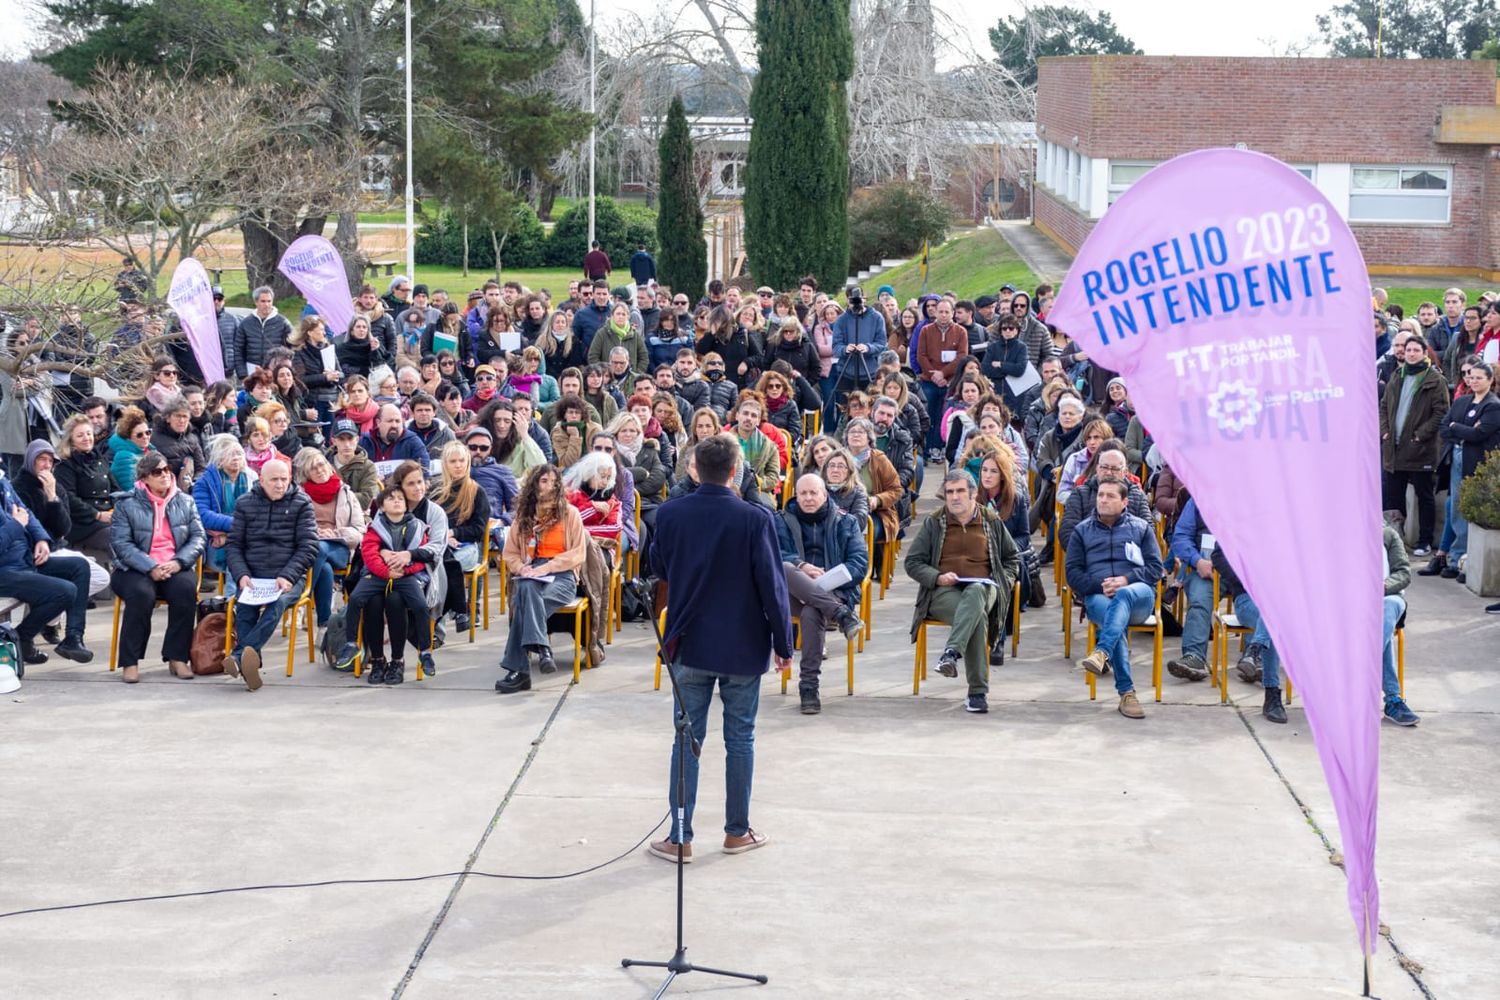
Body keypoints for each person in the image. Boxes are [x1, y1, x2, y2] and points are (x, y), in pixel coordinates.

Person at [647, 434, 792, 861]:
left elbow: (658, 567)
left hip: (690, 643)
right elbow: (773, 584)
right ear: (735, 472)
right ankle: (736, 831)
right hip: (742, 647)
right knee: (740, 739)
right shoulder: (755, 517)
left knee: (687, 742)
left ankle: (680, 836)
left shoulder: (671, 514)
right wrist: (784, 642)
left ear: (695, 469)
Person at [902, 471, 1018, 714]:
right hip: (945, 591)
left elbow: (1012, 558)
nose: (954, 497)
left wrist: (1002, 580)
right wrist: (937, 577)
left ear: (974, 494)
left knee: (977, 590)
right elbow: (912, 562)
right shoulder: (935, 522)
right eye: (949, 492)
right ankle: (977, 693)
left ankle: (951, 653)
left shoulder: (990, 520)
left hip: (986, 588)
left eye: (960, 491)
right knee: (976, 620)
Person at [1067, 480, 1164, 720]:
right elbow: (1073, 573)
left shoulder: (1141, 528)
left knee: (1123, 595)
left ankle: (1102, 651)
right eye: (1100, 495)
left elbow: (1155, 569)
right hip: (1099, 596)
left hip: (1137, 595)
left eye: (1110, 496)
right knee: (1115, 618)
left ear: (1124, 502)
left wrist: (1125, 579)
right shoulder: (1082, 530)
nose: (1103, 500)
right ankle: (1127, 693)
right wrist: (1101, 585)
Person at [108, 451, 206, 682]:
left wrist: (178, 562)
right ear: (144, 479)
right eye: (156, 472)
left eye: (166, 471)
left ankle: (177, 657)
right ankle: (130, 662)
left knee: (184, 591)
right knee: (141, 594)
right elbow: (121, 544)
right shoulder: (126, 504)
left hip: (174, 565)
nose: (164, 476)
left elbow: (198, 537)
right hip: (134, 569)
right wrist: (150, 566)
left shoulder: (185, 501)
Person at [223, 459, 319, 691]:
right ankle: (250, 663)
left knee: (277, 603)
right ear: (261, 480)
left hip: (287, 577)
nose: (280, 484)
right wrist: (242, 575)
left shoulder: (301, 503)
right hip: (253, 576)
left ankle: (239, 656)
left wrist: (288, 575)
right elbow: (234, 545)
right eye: (274, 480)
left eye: (284, 479)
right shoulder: (245, 503)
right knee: (244, 608)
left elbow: (309, 546)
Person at [775, 474, 866, 715]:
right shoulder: (781, 521)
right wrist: (801, 567)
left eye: (813, 493)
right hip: (793, 594)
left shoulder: (846, 522)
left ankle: (809, 686)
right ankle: (842, 615)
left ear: (825, 495)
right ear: (795, 494)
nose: (808, 498)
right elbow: (771, 555)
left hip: (835, 591)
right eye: (803, 493)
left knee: (812, 611)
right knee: (784, 567)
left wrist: (829, 579)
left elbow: (859, 562)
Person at [494, 464, 589, 692]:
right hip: (531, 571)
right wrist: (522, 568)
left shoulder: (570, 514)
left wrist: (549, 567)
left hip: (562, 575)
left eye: (553, 482)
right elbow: (510, 553)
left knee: (523, 603)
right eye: (543, 481)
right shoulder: (523, 516)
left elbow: (578, 553)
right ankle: (543, 651)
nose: (549, 486)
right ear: (534, 484)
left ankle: (519, 671)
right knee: (526, 587)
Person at [345, 483, 438, 684]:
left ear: (406, 505)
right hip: (378, 575)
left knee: (420, 606)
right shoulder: (375, 528)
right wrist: (387, 571)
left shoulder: (417, 526)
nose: (396, 501)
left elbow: (422, 558)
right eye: (391, 498)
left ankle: (423, 652)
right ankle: (357, 647)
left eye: (400, 499)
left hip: (405, 576)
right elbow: (369, 554)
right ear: (381, 506)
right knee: (358, 599)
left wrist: (404, 569)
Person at [0, 473, 94, 666]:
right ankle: (21, 637)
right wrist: (17, 525)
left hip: (24, 561)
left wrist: (41, 539)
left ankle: (73, 639)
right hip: (5, 572)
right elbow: (20, 520)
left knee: (79, 567)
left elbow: (27, 513)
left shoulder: (3, 481)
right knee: (64, 591)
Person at [1422, 362, 1500, 581]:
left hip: (1476, 463)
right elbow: (1445, 428)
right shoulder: (1462, 401)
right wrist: (1460, 430)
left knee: (1465, 510)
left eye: (1478, 377)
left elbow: (1480, 434)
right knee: (1454, 508)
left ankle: (1460, 559)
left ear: (1490, 380)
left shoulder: (1493, 405)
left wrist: (1458, 428)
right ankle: (1453, 557)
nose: (1473, 381)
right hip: (1456, 458)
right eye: (1470, 377)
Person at [1379, 335, 1448, 556]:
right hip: (1394, 448)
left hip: (1420, 449)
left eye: (1415, 350)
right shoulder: (1397, 376)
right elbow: (1383, 406)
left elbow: (1441, 412)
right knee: (1393, 497)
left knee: (1424, 495)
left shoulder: (1434, 379)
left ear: (1424, 353)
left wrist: (1420, 436)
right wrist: (1385, 430)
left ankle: (1424, 541)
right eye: (1407, 350)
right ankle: (1394, 542)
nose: (1410, 353)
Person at [1208, 539, 1288, 723]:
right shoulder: (1236, 522)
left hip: (1279, 601)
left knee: (1274, 616)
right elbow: (1218, 557)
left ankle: (1254, 649)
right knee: (1273, 620)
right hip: (1247, 598)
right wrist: (1249, 578)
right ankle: (1272, 695)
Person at [293, 447, 366, 630]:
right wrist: (315, 532)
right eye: (313, 468)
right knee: (324, 568)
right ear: (305, 474)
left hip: (339, 547)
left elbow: (360, 531)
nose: (319, 470)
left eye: (321, 464)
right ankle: (324, 626)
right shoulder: (299, 496)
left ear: (328, 465)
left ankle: (301, 594)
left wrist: (336, 533)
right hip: (311, 547)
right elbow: (293, 528)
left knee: (320, 549)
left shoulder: (346, 493)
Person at [431, 440, 491, 633]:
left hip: (467, 547)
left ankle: (441, 625)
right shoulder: (435, 491)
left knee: (443, 566)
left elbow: (479, 529)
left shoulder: (476, 491)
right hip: (440, 547)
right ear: (445, 464)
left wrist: (454, 533)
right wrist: (443, 537)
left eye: (462, 461)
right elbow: (425, 522)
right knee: (439, 566)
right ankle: (459, 611)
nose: (458, 465)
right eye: (453, 461)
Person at [55, 414, 117, 559]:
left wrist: (117, 509)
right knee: (117, 538)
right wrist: (98, 515)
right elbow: (69, 498)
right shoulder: (65, 465)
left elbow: (115, 489)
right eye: (80, 435)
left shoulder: (99, 458)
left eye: (89, 433)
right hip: (84, 522)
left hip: (109, 515)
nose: (86, 438)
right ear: (71, 440)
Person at [1379, 522, 1420, 726]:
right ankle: (1393, 700)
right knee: (1380, 630)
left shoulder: (1387, 534)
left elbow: (1403, 573)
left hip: (1386, 597)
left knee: (1385, 610)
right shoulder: (1335, 534)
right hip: (1349, 605)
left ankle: (1358, 673)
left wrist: (1381, 587)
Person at [233, 286, 293, 377]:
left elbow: (293, 347)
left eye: (269, 301)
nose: (267, 305)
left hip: (276, 372)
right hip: (252, 371)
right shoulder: (246, 323)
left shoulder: (283, 322)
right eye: (263, 301)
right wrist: (242, 373)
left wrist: (286, 368)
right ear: (256, 302)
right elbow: (238, 350)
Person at [360, 403, 428, 470]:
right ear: (378, 422)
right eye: (390, 421)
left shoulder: (412, 441)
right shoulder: (365, 441)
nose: (394, 425)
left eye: (397, 421)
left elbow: (424, 469)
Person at [109, 406, 156, 493]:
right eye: (139, 435)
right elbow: (131, 491)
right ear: (129, 437)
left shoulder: (150, 451)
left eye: (148, 432)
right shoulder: (124, 458)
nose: (145, 437)